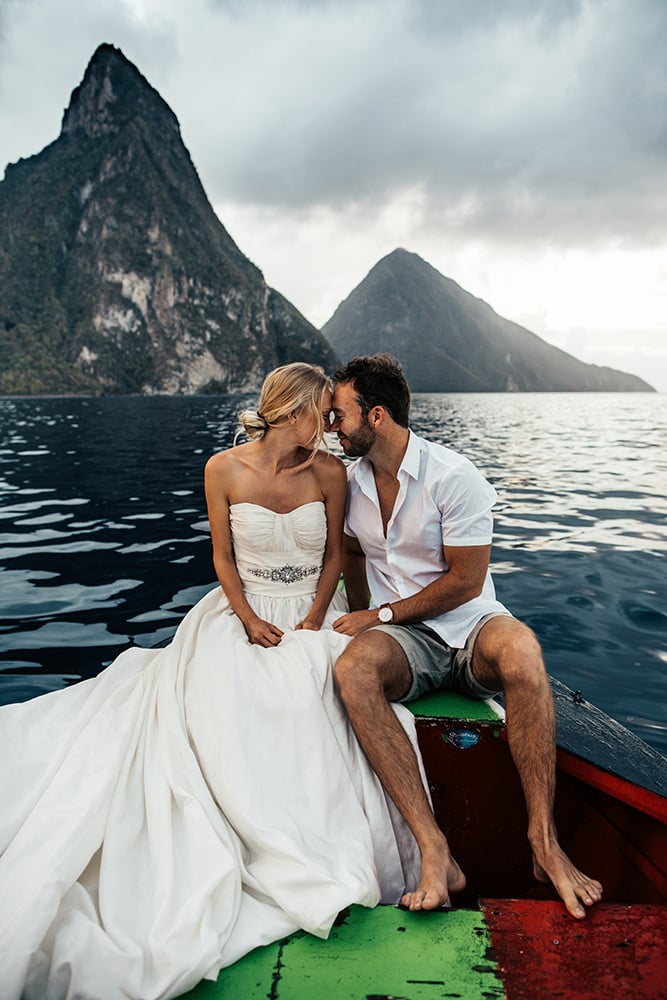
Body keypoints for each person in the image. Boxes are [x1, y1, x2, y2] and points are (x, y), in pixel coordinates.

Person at [0, 363, 423, 1000]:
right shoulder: (222, 469)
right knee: (231, 693)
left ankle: (311, 840)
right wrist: (250, 619)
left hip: (312, 612)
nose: (329, 425)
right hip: (241, 613)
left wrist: (314, 618)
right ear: (290, 412)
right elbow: (223, 558)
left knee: (318, 685)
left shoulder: (330, 471)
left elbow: (336, 555)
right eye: (320, 413)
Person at [330, 353, 604, 921]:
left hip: (471, 624)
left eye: (339, 414)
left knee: (524, 650)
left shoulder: (455, 477)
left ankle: (543, 842)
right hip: (410, 640)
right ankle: (435, 849)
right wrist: (362, 614)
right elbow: (353, 550)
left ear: (375, 416)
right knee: (353, 672)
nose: (333, 425)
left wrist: (380, 615)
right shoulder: (349, 483)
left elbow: (465, 581)